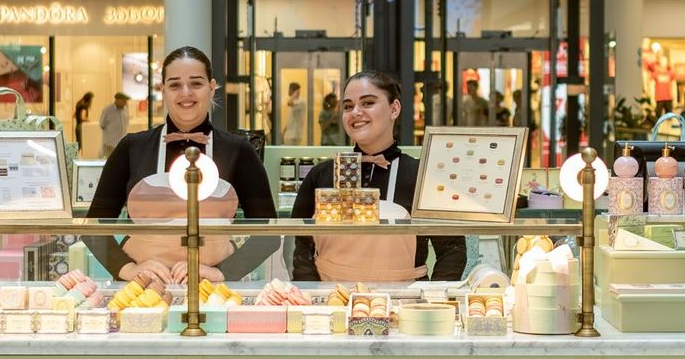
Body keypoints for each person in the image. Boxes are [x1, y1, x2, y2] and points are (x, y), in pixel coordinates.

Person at [84, 46, 277, 284]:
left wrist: (223, 272)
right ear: (163, 90)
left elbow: (269, 233)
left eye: (196, 83)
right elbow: (91, 227)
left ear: (211, 87)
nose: (186, 93)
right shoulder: (132, 147)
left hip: (214, 291)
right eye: (175, 85)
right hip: (142, 290)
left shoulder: (238, 151)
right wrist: (128, 269)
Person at [291, 70, 466, 283]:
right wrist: (312, 291)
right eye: (348, 106)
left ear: (394, 108)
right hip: (331, 297)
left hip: (404, 298)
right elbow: (298, 243)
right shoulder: (321, 174)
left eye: (368, 103)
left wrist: (429, 298)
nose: (356, 112)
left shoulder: (422, 176)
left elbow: (452, 251)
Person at [99, 91, 131, 156]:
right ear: (118, 100)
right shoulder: (108, 110)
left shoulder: (125, 109)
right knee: (109, 161)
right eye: (124, 100)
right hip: (110, 145)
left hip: (121, 144)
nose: (125, 103)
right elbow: (102, 124)